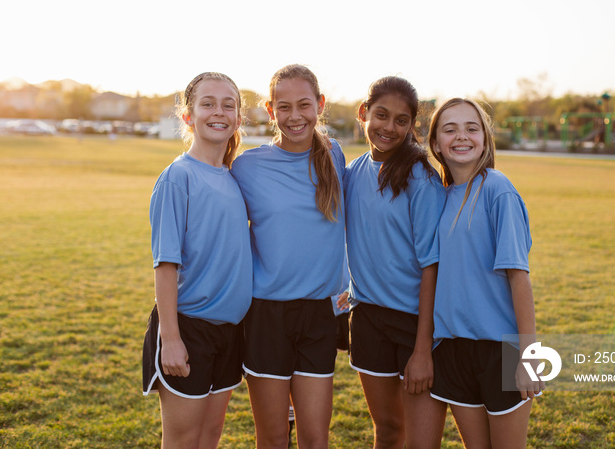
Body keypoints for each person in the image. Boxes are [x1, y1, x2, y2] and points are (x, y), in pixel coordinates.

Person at [231, 64, 348, 448]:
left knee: (315, 438)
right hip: (266, 315)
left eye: (304, 105)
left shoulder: (335, 155)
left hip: (319, 315)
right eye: (284, 107)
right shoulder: (247, 167)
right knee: (273, 438)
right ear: (270, 110)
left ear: (320, 105)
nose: (294, 116)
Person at [425, 98, 545, 448]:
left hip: (500, 350)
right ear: (436, 144)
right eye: (450, 129)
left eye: (471, 128)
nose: (461, 136)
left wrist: (528, 355)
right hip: (452, 350)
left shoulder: (497, 188)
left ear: (485, 138)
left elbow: (518, 276)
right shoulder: (440, 197)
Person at [142, 72, 252, 448]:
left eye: (228, 105)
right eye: (207, 103)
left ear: (238, 117)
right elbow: (165, 265)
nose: (218, 112)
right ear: (188, 116)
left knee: (209, 437)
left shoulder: (234, 177)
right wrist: (171, 339)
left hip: (229, 332)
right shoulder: (178, 178)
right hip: (189, 330)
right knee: (183, 441)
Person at [344, 76, 446, 448]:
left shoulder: (420, 178)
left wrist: (422, 351)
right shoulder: (352, 173)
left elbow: (431, 267)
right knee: (387, 432)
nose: (389, 127)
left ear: (411, 126)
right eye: (381, 115)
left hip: (415, 324)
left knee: (421, 442)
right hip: (368, 317)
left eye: (401, 120)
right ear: (363, 113)